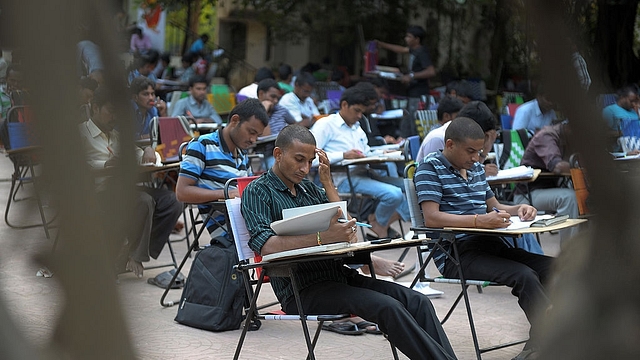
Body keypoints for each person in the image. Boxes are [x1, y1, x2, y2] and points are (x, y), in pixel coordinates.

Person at [241, 124, 458, 360]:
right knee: (389, 308)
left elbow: (346, 228)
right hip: (301, 288)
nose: (305, 168)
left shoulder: (309, 190)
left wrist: (327, 182)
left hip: (339, 276)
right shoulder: (258, 191)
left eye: (310, 161)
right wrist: (323, 238)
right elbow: (265, 246)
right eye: (299, 160)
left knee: (418, 301)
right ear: (278, 154)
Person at [415, 117, 554, 360]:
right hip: (456, 253)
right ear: (450, 144)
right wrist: (479, 221)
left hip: (490, 243)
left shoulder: (476, 169)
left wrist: (520, 208)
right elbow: (432, 219)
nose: (476, 158)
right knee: (524, 275)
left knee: (555, 267)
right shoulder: (429, 168)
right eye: (470, 151)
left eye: (479, 151)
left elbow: (495, 206)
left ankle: (541, 341)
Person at [79, 86, 183, 278]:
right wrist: (105, 164)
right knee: (143, 201)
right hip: (99, 192)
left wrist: (150, 154)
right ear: (95, 108)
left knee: (173, 201)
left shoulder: (116, 136)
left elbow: (140, 155)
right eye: (111, 111)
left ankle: (130, 253)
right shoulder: (81, 134)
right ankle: (132, 255)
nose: (115, 117)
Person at [310, 85, 410, 240]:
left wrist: (383, 152)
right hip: (343, 178)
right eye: (356, 110)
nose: (359, 115)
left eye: (362, 112)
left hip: (364, 173)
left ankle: (380, 221)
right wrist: (343, 155)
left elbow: (365, 152)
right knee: (394, 194)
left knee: (413, 186)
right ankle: (379, 222)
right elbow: (311, 158)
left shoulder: (357, 128)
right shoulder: (326, 125)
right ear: (344, 105)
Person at [175, 98, 269, 234]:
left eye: (257, 136)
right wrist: (227, 194)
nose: (253, 140)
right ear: (235, 120)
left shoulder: (242, 153)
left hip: (247, 222)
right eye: (251, 132)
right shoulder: (202, 145)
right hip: (227, 229)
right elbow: (181, 193)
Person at [514, 122, 579, 245]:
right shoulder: (547, 135)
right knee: (569, 198)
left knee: (587, 195)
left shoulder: (568, 138)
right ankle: (569, 255)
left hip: (550, 189)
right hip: (528, 195)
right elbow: (558, 167)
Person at [376, 25, 436, 99]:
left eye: (409, 37)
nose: (406, 39)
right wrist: (382, 45)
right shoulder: (413, 50)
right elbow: (401, 49)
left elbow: (431, 71)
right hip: (412, 89)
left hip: (419, 92)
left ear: (417, 39)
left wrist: (411, 76)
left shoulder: (422, 53)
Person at [256, 79, 295, 168]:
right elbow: (265, 136)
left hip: (286, 150)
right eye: (272, 97)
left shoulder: (280, 109)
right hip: (268, 155)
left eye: (278, 98)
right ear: (261, 94)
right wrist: (264, 111)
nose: (276, 101)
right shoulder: (253, 113)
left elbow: (295, 125)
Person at [416, 95, 464, 161]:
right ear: (446, 116)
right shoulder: (437, 138)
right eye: (457, 117)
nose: (460, 121)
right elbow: (434, 168)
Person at [130, 76, 166, 140]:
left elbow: (164, 134)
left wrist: (163, 113)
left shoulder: (153, 110)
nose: (151, 98)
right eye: (146, 94)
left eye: (152, 94)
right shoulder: (127, 110)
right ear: (135, 97)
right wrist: (147, 136)